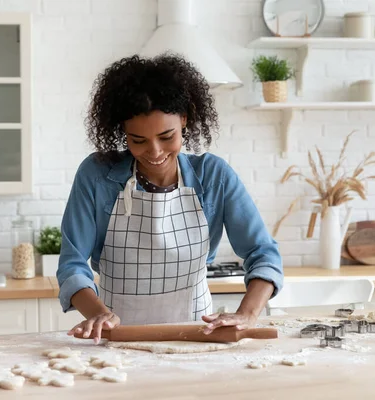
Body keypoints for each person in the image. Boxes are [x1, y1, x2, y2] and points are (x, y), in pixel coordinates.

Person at [57, 53, 283, 344]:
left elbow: (263, 253)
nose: (154, 151)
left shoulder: (214, 176)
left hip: (197, 336)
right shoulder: (97, 175)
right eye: (138, 140)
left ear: (185, 119)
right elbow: (72, 263)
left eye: (166, 137)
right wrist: (97, 313)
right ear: (122, 132)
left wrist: (248, 315)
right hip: (118, 339)